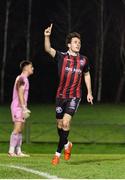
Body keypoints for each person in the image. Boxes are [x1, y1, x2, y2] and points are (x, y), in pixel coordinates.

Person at [44, 24, 93, 165]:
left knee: (66, 123)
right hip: (60, 96)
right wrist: (47, 36)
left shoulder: (83, 60)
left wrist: (89, 92)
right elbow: (48, 49)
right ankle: (67, 144)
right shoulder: (61, 56)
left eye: (79, 42)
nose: (78, 44)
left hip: (75, 96)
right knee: (60, 126)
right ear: (69, 44)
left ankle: (57, 154)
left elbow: (87, 74)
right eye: (75, 42)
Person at [8, 60, 34, 157]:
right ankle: (11, 151)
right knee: (17, 129)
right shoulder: (22, 78)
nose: (32, 68)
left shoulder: (24, 79)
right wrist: (23, 107)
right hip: (18, 107)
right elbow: (20, 92)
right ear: (26, 68)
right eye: (31, 67)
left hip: (21, 107)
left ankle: (18, 151)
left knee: (20, 129)